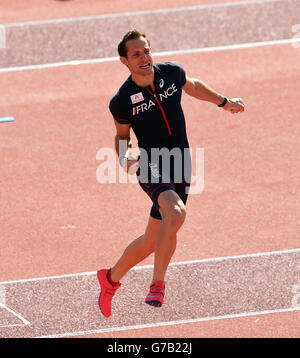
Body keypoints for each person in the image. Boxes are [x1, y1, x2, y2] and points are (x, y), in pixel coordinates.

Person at [97, 29, 245, 317]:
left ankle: (110, 279)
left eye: (147, 51)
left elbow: (193, 86)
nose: (144, 57)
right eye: (136, 54)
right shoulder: (122, 100)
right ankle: (157, 285)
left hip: (181, 162)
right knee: (175, 215)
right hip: (151, 163)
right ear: (124, 60)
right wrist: (125, 158)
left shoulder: (172, 73)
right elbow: (121, 135)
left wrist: (225, 103)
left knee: (154, 239)